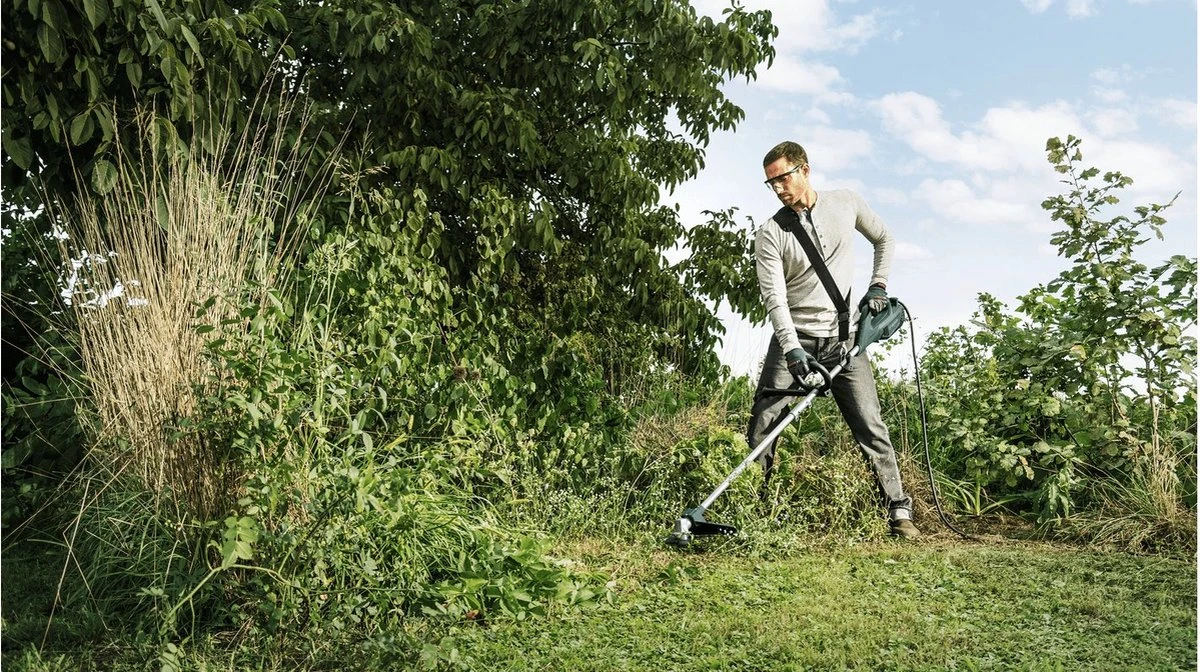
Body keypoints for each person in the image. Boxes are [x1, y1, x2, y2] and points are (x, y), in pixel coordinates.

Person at [748, 140, 919, 538]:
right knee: (763, 426)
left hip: (845, 341)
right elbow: (774, 298)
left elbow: (885, 239)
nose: (778, 188)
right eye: (771, 183)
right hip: (796, 342)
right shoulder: (771, 233)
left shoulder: (846, 202)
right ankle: (751, 506)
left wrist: (878, 285)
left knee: (871, 425)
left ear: (804, 170)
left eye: (783, 178)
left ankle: (898, 510)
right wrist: (792, 349)